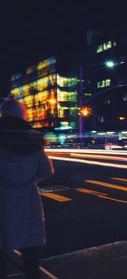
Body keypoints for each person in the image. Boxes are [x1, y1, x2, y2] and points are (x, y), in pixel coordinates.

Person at [0, 99, 54, 279]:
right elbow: (47, 171)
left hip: (3, 199)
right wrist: (30, 179)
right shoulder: (33, 141)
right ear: (23, 115)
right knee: (30, 251)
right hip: (27, 199)